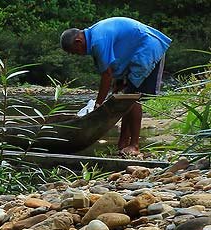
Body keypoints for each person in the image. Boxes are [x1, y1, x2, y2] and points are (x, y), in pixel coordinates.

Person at [61, 17, 171, 157]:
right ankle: (123, 143)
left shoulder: (97, 40)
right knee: (124, 97)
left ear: (78, 42)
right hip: (136, 53)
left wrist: (98, 104)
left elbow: (107, 75)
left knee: (133, 97)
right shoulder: (95, 35)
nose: (76, 55)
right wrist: (117, 82)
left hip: (148, 49)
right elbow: (114, 63)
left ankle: (134, 145)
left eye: (74, 51)